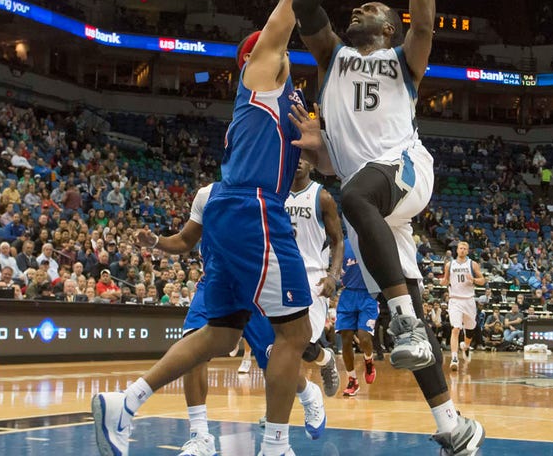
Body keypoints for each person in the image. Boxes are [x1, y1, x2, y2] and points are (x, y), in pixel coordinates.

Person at [94, 0, 324, 456]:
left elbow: (322, 165)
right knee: (294, 334)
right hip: (252, 210)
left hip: (232, 208)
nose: (280, 38)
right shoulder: (264, 73)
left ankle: (125, 404)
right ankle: (274, 445)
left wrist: (315, 146)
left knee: (220, 333)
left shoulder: (286, 102)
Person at [290, 0, 483, 453]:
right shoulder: (331, 58)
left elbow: (424, 17)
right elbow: (305, 1)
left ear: (390, 28)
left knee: (353, 196)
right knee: (415, 323)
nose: (357, 10)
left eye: (370, 8)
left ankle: (400, 315)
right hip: (370, 206)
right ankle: (453, 426)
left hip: (403, 173)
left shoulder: (405, 59)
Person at [136, 183, 327, 456]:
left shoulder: (266, 195)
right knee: (192, 345)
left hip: (257, 282)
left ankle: (307, 394)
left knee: (274, 358)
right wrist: (155, 241)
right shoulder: (206, 194)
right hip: (217, 280)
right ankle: (200, 435)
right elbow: (184, 240)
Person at [284, 159, 343, 397]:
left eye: (304, 157)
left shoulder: (322, 197)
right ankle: (277, 409)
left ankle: (326, 358)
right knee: (279, 345)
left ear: (312, 166)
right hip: (282, 276)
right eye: (293, 155)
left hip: (313, 277)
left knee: (305, 346)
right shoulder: (276, 194)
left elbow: (338, 240)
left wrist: (333, 276)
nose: (297, 161)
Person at [335, 237, 379, 397]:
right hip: (348, 294)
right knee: (345, 339)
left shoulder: (373, 240)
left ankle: (369, 360)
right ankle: (352, 380)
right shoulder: (342, 244)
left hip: (368, 296)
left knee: (364, 337)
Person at [442, 241, 485, 371]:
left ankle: (465, 346)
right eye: (460, 248)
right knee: (455, 328)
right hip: (454, 300)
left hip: (469, 300)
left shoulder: (473, 264)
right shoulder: (449, 265)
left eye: (464, 248)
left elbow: (482, 281)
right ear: (457, 250)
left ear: (467, 251)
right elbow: (445, 280)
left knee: (470, 329)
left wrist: (473, 279)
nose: (462, 250)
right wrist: (443, 281)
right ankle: (454, 358)